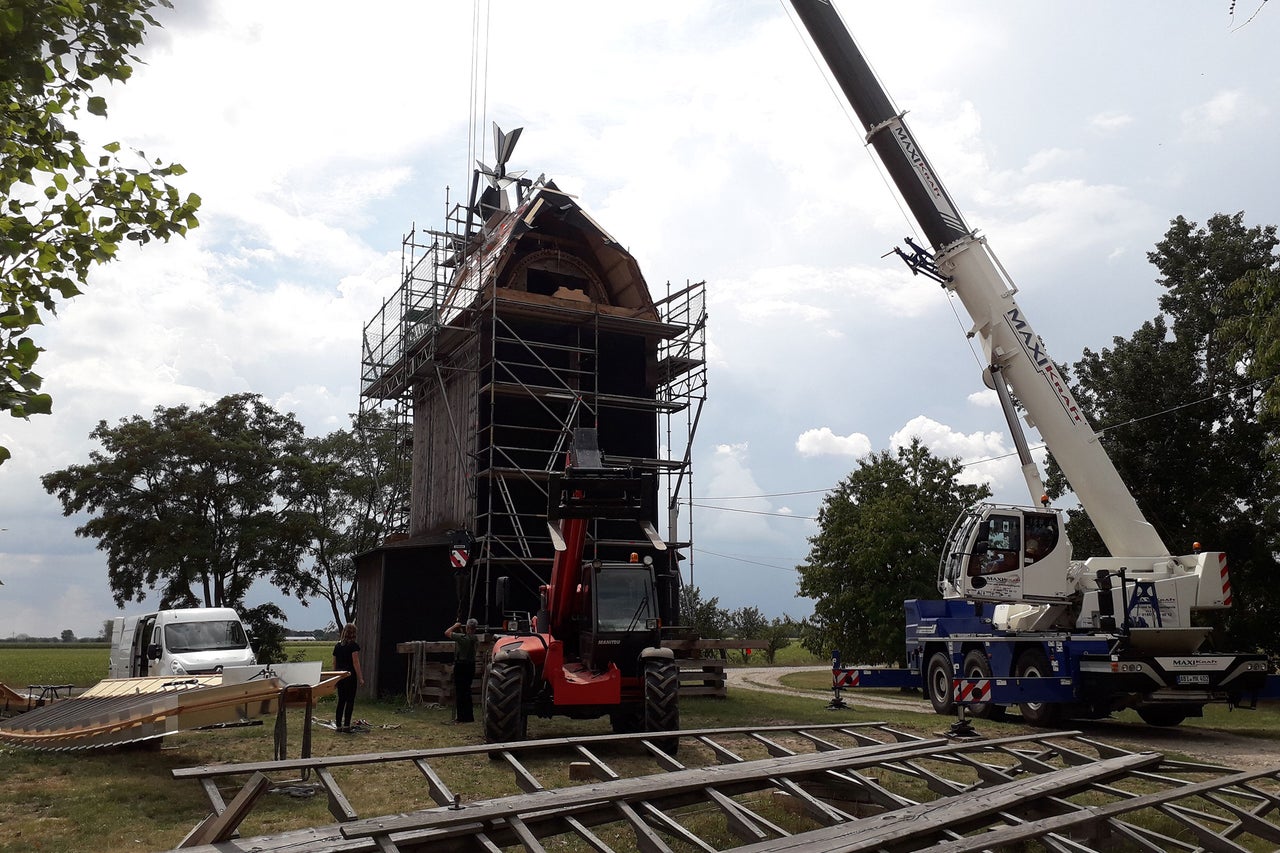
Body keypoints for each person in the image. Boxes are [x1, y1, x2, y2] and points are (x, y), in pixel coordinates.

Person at [445, 618, 478, 723]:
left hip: (461, 666)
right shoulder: (475, 638)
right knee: (467, 691)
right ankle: (469, 717)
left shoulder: (463, 638)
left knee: (460, 692)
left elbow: (447, 633)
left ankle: (461, 717)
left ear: (468, 627)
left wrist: (455, 626)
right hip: (471, 666)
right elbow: (467, 638)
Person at [331, 623, 364, 732]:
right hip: (350, 676)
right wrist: (360, 678)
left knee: (341, 701)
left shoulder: (338, 646)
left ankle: (338, 725)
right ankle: (346, 725)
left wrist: (334, 677)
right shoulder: (353, 646)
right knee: (350, 701)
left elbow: (334, 663)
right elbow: (355, 662)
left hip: (340, 676)